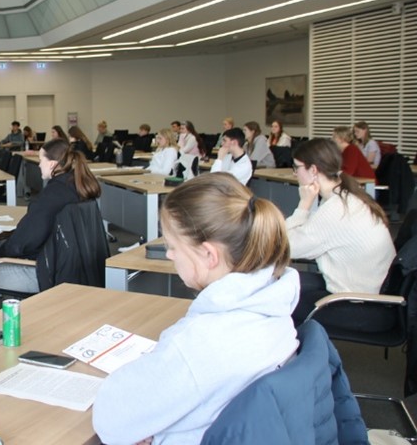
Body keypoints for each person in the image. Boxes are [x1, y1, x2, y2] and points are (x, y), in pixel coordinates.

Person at [93, 173, 299, 445]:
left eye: (172, 246)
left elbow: (110, 420)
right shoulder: (275, 305)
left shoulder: (199, 344)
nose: (169, 255)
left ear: (209, 255)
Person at [0, 138, 101, 293]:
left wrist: (2, 253)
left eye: (41, 160)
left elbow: (24, 242)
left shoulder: (54, 194)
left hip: (47, 273)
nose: (38, 165)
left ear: (52, 164)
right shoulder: (77, 186)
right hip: (76, 270)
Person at [286, 138, 394, 324]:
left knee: (279, 297)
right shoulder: (345, 196)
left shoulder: (336, 209)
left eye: (297, 167)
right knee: (285, 281)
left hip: (361, 303)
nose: (295, 173)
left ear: (313, 170)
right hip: (369, 289)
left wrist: (303, 205)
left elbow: (287, 246)